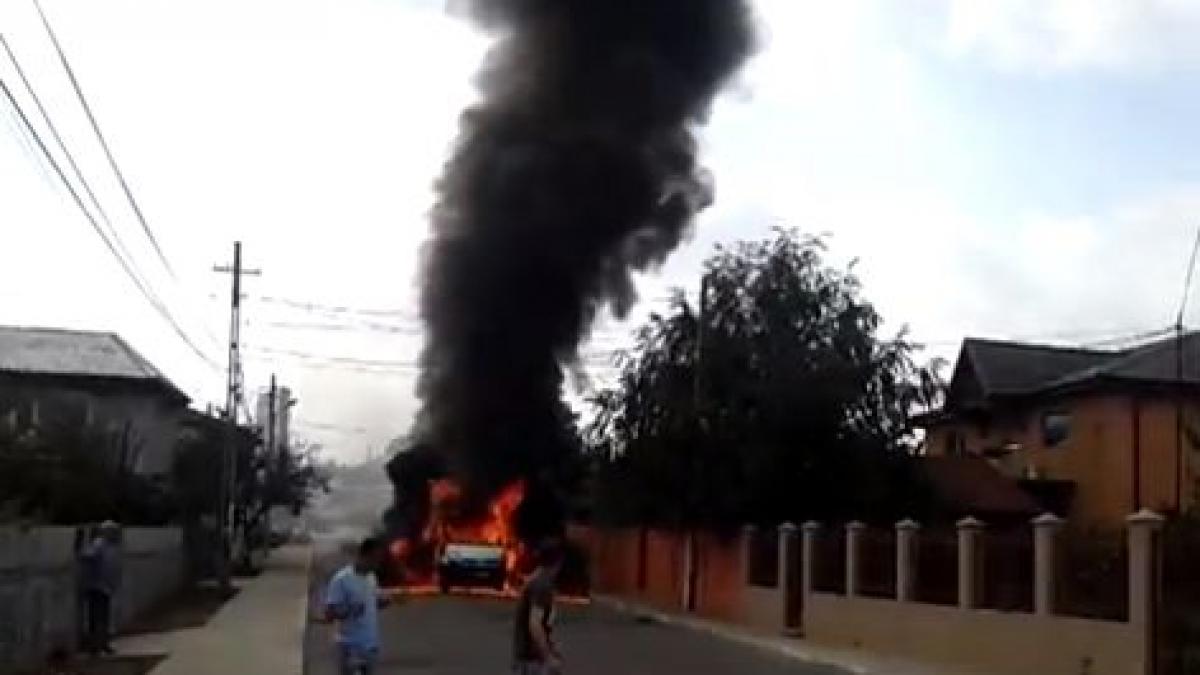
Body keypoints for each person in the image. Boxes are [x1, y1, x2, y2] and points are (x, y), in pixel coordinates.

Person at [323, 536, 395, 675]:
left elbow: (371, 604)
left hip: (370, 646)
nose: (378, 563)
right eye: (375, 559)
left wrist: (383, 603)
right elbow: (329, 614)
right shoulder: (341, 579)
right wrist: (350, 609)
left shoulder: (371, 577)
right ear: (364, 556)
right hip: (350, 647)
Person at [513, 541, 565, 675]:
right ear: (558, 563)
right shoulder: (542, 585)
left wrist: (551, 645)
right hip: (533, 660)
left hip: (527, 657)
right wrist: (548, 657)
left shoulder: (535, 579)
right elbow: (535, 624)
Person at [79, 521, 121, 657]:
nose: (116, 534)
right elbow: (87, 555)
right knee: (96, 618)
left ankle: (103, 644)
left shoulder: (112, 546)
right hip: (96, 586)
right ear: (106, 532)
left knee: (104, 618)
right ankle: (95, 647)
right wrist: (80, 545)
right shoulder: (99, 544)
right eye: (113, 531)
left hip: (106, 586)